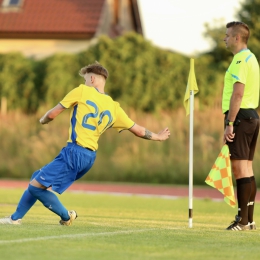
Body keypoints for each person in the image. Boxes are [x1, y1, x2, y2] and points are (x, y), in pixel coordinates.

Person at [0, 62, 170, 226]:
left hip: (74, 151)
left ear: (92, 79)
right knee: (36, 177)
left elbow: (52, 114)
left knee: (36, 187)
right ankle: (16, 218)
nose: (84, 82)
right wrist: (158, 137)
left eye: (85, 79)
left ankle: (66, 216)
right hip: (89, 157)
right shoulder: (114, 107)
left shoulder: (82, 91)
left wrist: (43, 120)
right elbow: (139, 131)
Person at [222, 22, 260, 231]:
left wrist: (229, 123)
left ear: (237, 38)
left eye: (227, 35)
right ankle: (250, 220)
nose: (225, 39)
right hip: (252, 116)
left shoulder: (239, 60)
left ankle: (242, 221)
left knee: (239, 170)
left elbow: (238, 94)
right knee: (247, 168)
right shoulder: (252, 58)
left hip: (240, 117)